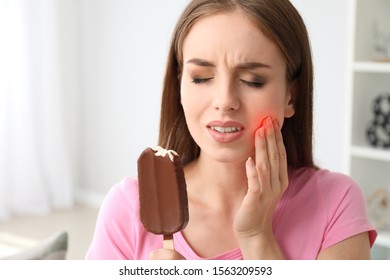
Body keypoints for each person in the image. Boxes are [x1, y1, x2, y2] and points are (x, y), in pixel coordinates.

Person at [86, 0, 377, 260]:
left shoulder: (336, 203)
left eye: (252, 80)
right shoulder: (127, 208)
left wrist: (257, 236)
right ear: (179, 87)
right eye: (201, 78)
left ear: (291, 96)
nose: (224, 101)